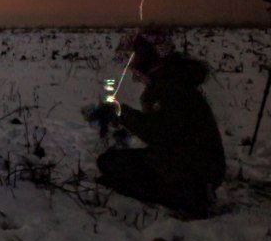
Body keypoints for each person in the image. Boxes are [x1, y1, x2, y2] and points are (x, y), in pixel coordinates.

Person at [92, 32, 225, 218]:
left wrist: (121, 113)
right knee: (113, 163)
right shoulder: (171, 79)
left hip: (194, 169)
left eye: (136, 55)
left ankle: (188, 196)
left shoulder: (167, 87)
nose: (132, 63)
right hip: (196, 163)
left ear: (149, 56)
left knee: (112, 164)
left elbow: (158, 133)